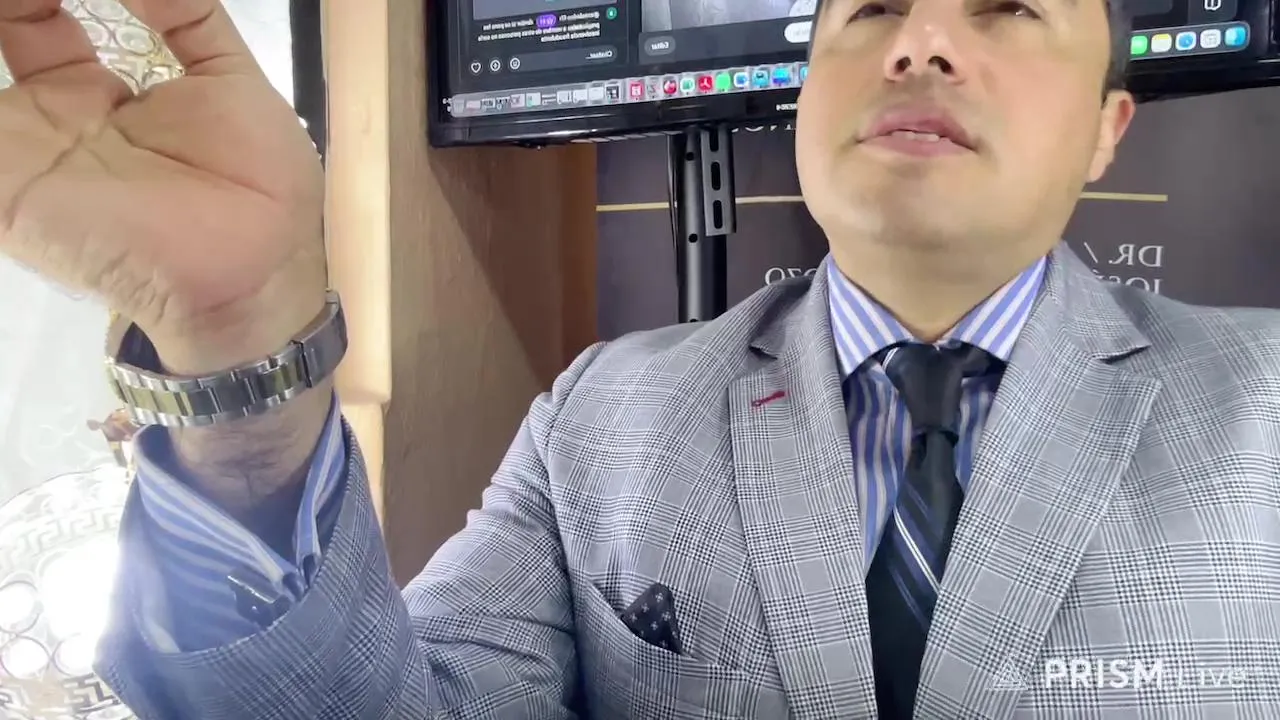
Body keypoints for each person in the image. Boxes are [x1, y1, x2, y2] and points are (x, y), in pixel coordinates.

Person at [2, 0, 1277, 717]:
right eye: (871, 10)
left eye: (1008, 6)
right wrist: (236, 341)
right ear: (807, 93)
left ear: (1106, 127)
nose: (920, 43)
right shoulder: (602, 415)